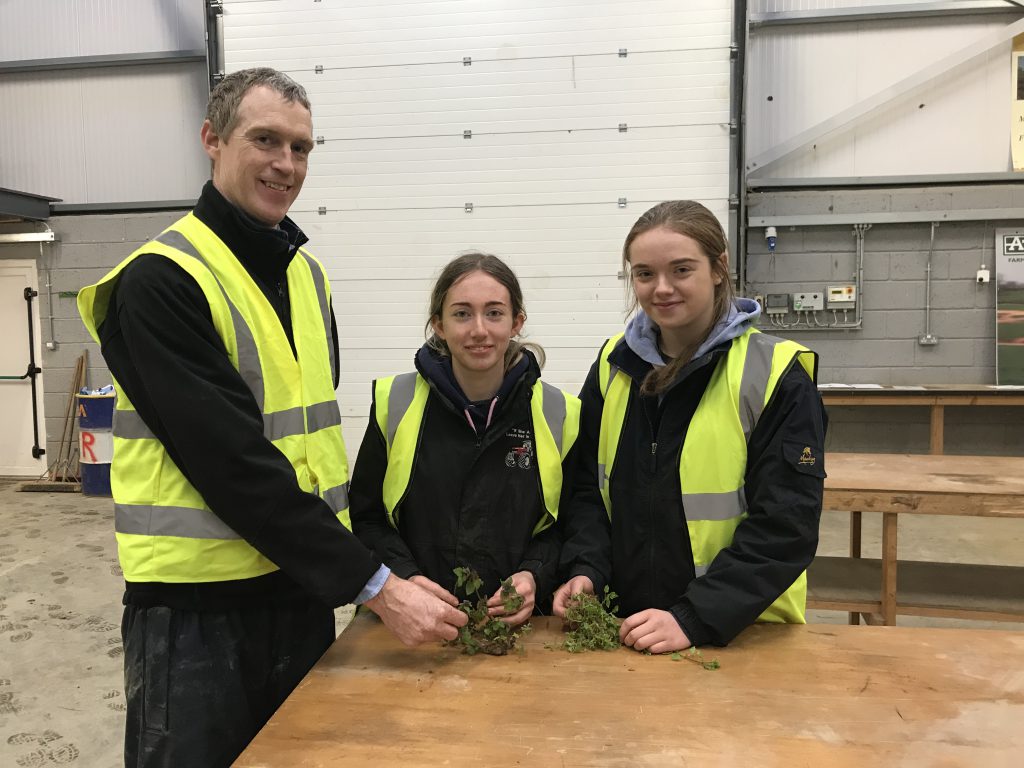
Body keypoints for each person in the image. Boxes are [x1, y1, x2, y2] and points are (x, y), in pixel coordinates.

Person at [77, 67, 466, 767]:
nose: (286, 165)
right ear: (212, 140)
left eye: (302, 148)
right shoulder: (160, 281)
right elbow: (233, 465)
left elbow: (308, 442)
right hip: (197, 613)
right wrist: (377, 585)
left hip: (299, 594)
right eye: (266, 140)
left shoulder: (305, 276)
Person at [553, 200, 826, 653]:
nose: (661, 289)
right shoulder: (612, 366)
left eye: (681, 270)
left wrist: (696, 616)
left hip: (742, 633)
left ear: (719, 268)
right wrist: (587, 569)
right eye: (644, 274)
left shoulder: (774, 375)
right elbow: (585, 489)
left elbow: (786, 525)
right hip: (629, 627)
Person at [350, 252, 581, 623]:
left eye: (494, 313)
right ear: (438, 324)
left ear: (516, 322)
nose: (478, 330)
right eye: (461, 314)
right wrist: (404, 579)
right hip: (404, 625)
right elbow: (366, 518)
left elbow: (571, 524)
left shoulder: (560, 413)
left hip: (518, 631)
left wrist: (535, 574)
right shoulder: (394, 403)